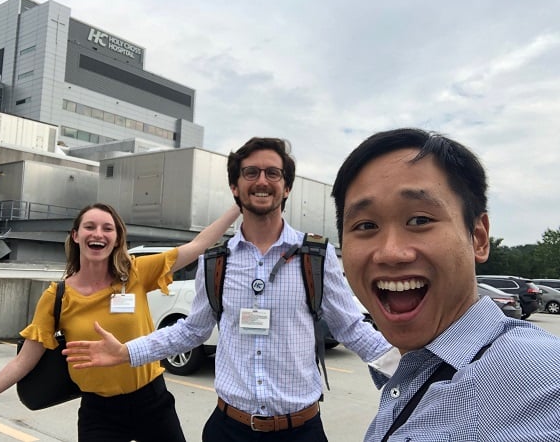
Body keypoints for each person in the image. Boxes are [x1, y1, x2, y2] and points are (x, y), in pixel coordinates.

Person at [63, 137, 399, 442]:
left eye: (273, 173)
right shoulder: (215, 261)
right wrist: (127, 352)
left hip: (300, 430)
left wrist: (415, 366)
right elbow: (191, 331)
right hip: (229, 429)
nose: (262, 181)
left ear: (286, 188)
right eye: (250, 173)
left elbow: (352, 328)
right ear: (235, 188)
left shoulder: (316, 255)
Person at [331, 128, 560, 441]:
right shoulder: (416, 368)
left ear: (478, 237)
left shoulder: (538, 377)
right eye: (366, 225)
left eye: (420, 220)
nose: (391, 253)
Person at [0, 202, 240, 442]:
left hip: (152, 401)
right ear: (76, 235)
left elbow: (199, 245)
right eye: (90, 227)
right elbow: (23, 361)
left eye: (108, 228)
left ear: (117, 238)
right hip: (99, 410)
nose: (98, 234)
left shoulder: (135, 273)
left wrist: (238, 205)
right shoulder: (56, 296)